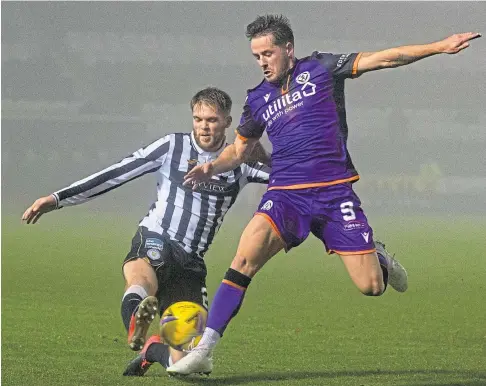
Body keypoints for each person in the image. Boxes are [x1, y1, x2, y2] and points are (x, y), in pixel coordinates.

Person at [167, 15, 481, 375]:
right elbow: (239, 150)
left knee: (371, 287)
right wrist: (211, 166)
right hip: (285, 195)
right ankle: (205, 349)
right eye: (256, 56)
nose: (263, 62)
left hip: (334, 195)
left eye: (268, 53)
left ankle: (377, 258)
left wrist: (439, 46)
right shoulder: (257, 99)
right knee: (243, 259)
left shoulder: (321, 68)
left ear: (288, 49)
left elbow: (385, 58)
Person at [21, 87, 271, 376]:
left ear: (228, 122)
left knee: (184, 366)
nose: (204, 126)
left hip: (191, 263)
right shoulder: (171, 147)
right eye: (198, 119)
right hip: (157, 236)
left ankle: (152, 348)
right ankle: (138, 318)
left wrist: (269, 158)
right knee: (141, 280)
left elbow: (291, 177)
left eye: (212, 120)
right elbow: (117, 173)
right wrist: (57, 198)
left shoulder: (242, 162)